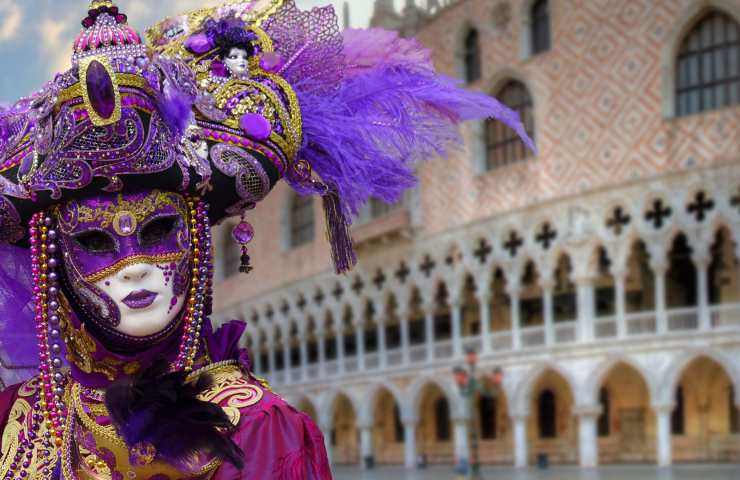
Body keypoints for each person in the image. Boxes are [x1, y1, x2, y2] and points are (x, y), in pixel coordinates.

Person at [0, 1, 534, 478]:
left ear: (195, 237)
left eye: (159, 231)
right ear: (54, 258)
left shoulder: (261, 427)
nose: (134, 265)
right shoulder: (13, 420)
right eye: (94, 242)